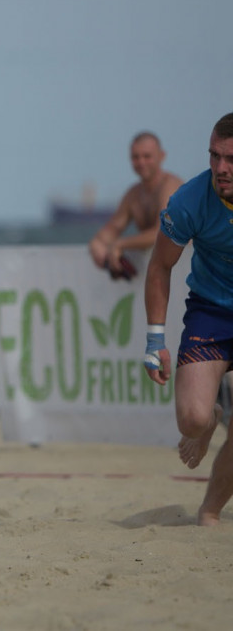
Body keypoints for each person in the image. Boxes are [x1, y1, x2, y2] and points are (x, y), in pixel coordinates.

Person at [144, 112, 233, 526]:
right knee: (192, 420)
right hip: (211, 312)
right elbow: (160, 265)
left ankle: (210, 512)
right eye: (214, 156)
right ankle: (213, 416)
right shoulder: (190, 199)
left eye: (230, 159)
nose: (221, 169)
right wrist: (154, 340)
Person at [89, 132, 182, 279]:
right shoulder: (134, 194)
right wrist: (98, 244)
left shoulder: (170, 186)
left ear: (162, 156)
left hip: (183, 270)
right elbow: (113, 228)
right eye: (135, 157)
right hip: (156, 273)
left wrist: (120, 244)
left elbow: (163, 232)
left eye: (147, 156)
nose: (141, 162)